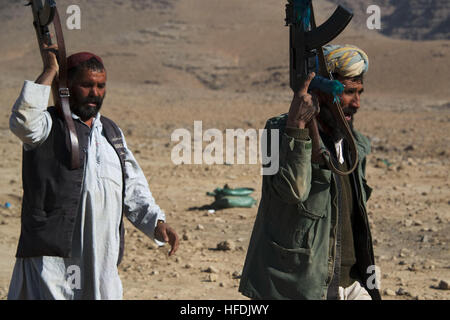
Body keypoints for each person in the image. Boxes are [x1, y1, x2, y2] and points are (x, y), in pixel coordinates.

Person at [7, 44, 179, 300]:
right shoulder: (47, 125)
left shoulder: (111, 132)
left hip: (101, 263)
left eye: (100, 86)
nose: (94, 93)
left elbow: (133, 188)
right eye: (86, 85)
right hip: (52, 264)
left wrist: (157, 223)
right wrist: (50, 70)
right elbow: (22, 121)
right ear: (66, 85)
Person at [239, 44, 381, 300]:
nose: (357, 103)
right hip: (302, 285)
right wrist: (297, 126)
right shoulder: (277, 132)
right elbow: (291, 191)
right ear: (321, 92)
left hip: (350, 281)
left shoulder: (352, 142)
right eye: (348, 92)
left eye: (360, 92)